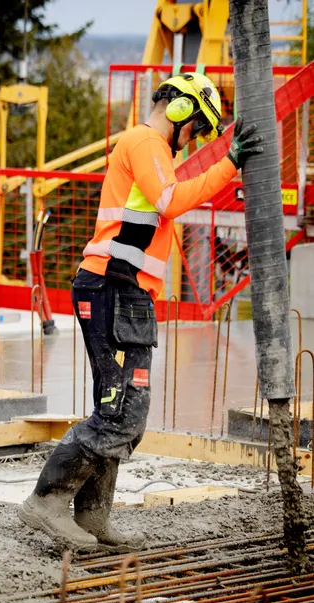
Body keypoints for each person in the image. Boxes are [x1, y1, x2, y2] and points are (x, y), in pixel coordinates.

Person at [18, 73, 264, 551]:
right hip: (109, 286)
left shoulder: (154, 151)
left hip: (128, 293)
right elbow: (172, 202)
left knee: (128, 411)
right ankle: (46, 501)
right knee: (117, 412)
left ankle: (92, 515)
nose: (192, 138)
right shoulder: (145, 141)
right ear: (178, 111)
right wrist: (229, 163)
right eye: (195, 127)